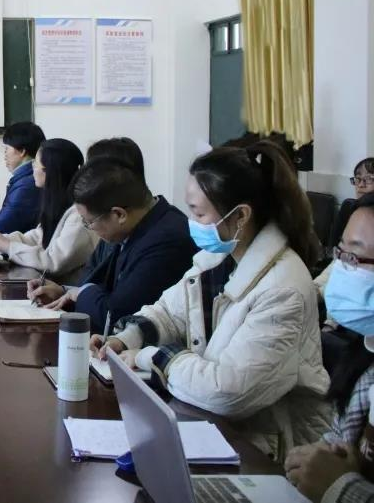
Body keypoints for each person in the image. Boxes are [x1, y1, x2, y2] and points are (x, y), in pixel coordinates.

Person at [93, 142, 330, 459]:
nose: (190, 222)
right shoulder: (216, 258)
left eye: (199, 213)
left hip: (269, 454)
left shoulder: (282, 289)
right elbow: (169, 312)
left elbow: (228, 392)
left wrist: (150, 356)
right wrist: (125, 339)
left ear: (241, 215)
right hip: (214, 431)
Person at [28, 156, 196, 333]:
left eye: (89, 222)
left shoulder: (167, 242)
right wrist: (64, 292)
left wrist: (81, 294)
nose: (89, 228)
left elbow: (113, 318)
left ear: (119, 214)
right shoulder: (138, 225)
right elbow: (103, 289)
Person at [286, 194, 374, 502]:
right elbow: (340, 442)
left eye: (354, 258)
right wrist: (312, 462)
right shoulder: (364, 357)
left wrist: (339, 486)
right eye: (340, 252)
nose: (340, 269)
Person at [0, 138, 97, 281]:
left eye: (35, 164)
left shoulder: (79, 215)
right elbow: (37, 237)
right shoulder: (58, 204)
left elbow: (54, 262)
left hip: (65, 291)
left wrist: (7, 246)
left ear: (50, 171)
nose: (32, 169)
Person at [0, 121, 45, 234]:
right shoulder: (27, 178)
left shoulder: (26, 184)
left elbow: (0, 229)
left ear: (22, 151)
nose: (5, 155)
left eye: (7, 149)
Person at [319, 157, 374, 295]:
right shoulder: (350, 210)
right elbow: (338, 262)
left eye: (369, 179)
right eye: (358, 179)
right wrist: (316, 289)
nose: (360, 185)